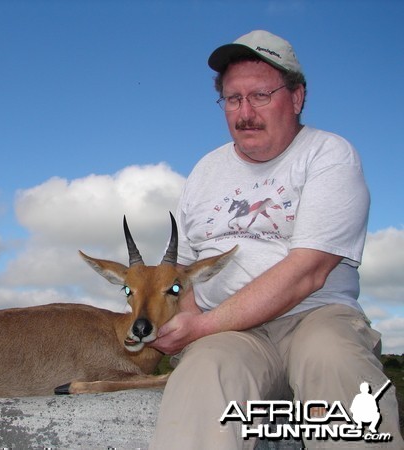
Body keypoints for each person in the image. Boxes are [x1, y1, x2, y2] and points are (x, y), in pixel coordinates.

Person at [149, 30, 404, 449]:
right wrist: (188, 319)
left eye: (260, 96)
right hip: (231, 336)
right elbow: (184, 269)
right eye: (233, 99)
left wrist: (203, 326)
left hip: (315, 317)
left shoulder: (328, 154)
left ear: (297, 97)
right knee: (202, 373)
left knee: (334, 360)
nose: (244, 112)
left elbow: (308, 271)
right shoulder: (204, 171)